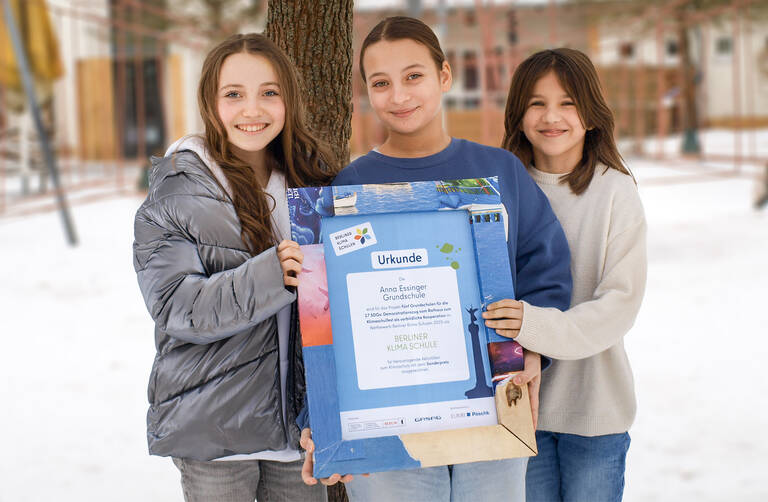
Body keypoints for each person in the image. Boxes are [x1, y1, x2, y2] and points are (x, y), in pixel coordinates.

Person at [299, 16, 572, 502]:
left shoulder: (498, 171)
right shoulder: (348, 191)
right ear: (366, 92)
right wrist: (322, 416)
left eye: (414, 76)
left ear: (445, 76)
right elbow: (324, 317)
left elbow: (544, 269)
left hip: (492, 406)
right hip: (385, 421)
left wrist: (532, 348)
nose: (399, 95)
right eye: (381, 83)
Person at [132, 33, 335, 502]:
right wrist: (271, 276)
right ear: (210, 101)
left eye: (269, 93)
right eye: (234, 94)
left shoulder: (313, 180)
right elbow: (177, 306)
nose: (253, 110)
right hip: (216, 428)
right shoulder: (178, 190)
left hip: (299, 432)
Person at [488, 48, 647, 502]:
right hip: (518, 409)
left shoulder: (616, 191)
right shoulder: (498, 193)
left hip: (594, 410)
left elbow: (619, 304)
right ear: (518, 115)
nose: (551, 116)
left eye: (568, 103)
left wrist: (532, 326)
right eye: (536, 103)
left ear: (591, 114)